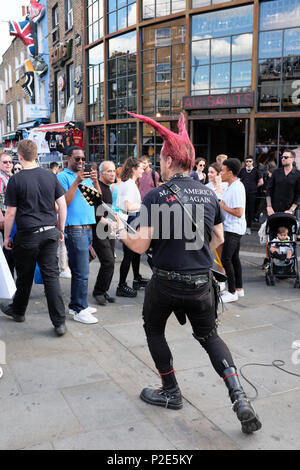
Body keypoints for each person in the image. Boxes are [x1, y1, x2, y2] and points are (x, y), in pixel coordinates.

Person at [115, 111, 261, 435]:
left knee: (153, 330)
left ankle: (171, 392)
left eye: (162, 160)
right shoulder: (209, 194)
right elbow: (220, 239)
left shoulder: (156, 195)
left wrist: (119, 231)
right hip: (200, 284)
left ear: (168, 160)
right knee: (210, 337)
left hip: (166, 282)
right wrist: (197, 250)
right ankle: (238, 397)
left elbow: (140, 246)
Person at [0, 139, 67, 337]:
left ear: (19, 157)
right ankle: (59, 322)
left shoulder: (16, 180)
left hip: (28, 235)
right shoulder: (49, 176)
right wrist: (60, 228)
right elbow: (61, 206)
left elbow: (10, 213)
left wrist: (6, 238)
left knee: (25, 276)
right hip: (49, 232)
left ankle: (19, 311)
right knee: (51, 278)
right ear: (36, 155)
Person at [57, 146, 99, 324]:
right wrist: (76, 182)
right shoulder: (62, 177)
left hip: (88, 227)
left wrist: (95, 182)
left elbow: (97, 200)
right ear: (69, 159)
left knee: (81, 270)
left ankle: (78, 303)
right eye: (77, 159)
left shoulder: (86, 177)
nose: (81, 162)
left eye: (83, 159)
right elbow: (63, 203)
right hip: (74, 228)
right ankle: (79, 309)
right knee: (82, 272)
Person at [262, 149, 300, 268]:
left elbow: (299, 195)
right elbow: (268, 190)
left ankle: (289, 259)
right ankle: (268, 258)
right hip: (274, 210)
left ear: (292, 159)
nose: (282, 158)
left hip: (289, 212)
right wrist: (269, 206)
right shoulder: (277, 172)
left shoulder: (298, 175)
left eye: (285, 157)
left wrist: (292, 208)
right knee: (271, 234)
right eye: (282, 157)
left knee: (288, 236)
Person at [116, 157, 149, 297]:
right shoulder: (129, 184)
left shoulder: (129, 183)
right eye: (141, 167)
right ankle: (121, 285)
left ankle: (137, 279)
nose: (144, 170)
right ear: (134, 169)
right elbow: (128, 206)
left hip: (131, 220)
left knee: (134, 252)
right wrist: (144, 205)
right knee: (129, 254)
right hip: (131, 220)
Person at [220, 158, 246, 303]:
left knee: (226, 259)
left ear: (230, 172)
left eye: (222, 171)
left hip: (233, 229)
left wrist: (222, 206)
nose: (220, 174)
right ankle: (239, 289)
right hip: (232, 228)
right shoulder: (231, 186)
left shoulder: (236, 187)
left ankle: (231, 291)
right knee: (234, 258)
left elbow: (239, 212)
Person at [92, 160, 116, 306]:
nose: (112, 174)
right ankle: (98, 292)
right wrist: (106, 221)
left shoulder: (108, 188)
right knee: (108, 261)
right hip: (98, 230)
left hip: (109, 230)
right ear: (101, 173)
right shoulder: (98, 187)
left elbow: (107, 210)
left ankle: (104, 291)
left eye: (113, 171)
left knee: (110, 262)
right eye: (109, 171)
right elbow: (96, 212)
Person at [239, 156, 263, 235]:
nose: (248, 163)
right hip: (242, 193)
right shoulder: (242, 171)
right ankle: (242, 227)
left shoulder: (256, 171)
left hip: (252, 193)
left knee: (250, 211)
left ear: (252, 162)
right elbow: (238, 180)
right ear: (245, 162)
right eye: (247, 161)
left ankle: (248, 228)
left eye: (250, 161)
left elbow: (261, 182)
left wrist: (254, 187)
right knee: (242, 211)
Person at [0, 152, 15, 275]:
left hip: (11, 216)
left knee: (9, 248)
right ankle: (8, 281)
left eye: (10, 162)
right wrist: (1, 217)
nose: (8, 164)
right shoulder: (0, 178)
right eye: (5, 162)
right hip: (4, 216)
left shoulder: (10, 177)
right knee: (8, 247)